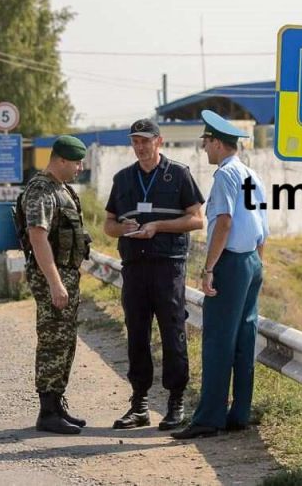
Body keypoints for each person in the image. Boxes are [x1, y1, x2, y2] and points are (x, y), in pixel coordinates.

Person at [172, 110, 269, 440]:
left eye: (206, 143)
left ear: (217, 143)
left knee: (217, 341)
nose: (203, 149)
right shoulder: (251, 175)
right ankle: (239, 413)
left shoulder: (225, 176)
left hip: (229, 263)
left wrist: (209, 268)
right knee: (244, 338)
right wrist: (256, 266)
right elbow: (261, 229)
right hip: (251, 262)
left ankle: (208, 419)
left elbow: (224, 222)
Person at [103, 119, 204, 431]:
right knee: (137, 335)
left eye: (146, 141)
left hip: (168, 265)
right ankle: (139, 404)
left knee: (172, 333)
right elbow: (108, 225)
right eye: (135, 141)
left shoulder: (179, 174)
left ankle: (176, 403)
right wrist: (124, 228)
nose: (140, 146)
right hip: (134, 267)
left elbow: (197, 219)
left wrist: (158, 226)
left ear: (159, 142)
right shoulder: (123, 179)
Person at [19, 135, 92, 435]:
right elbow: (38, 236)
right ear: (60, 160)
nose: (80, 167)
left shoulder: (63, 189)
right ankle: (47, 411)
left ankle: (57, 404)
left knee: (65, 341)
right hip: (54, 276)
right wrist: (55, 282)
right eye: (76, 162)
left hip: (66, 275)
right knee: (52, 341)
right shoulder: (41, 190)